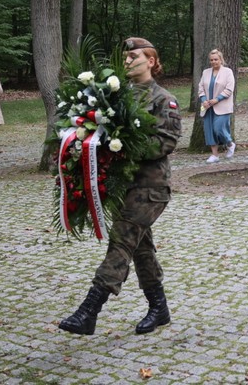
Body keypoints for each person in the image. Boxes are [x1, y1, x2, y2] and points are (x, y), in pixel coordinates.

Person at [59, 36, 182, 336]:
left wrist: (125, 147)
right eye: (126, 57)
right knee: (140, 249)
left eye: (135, 56)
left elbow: (166, 141)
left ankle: (90, 310)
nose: (127, 60)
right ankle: (159, 308)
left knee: (122, 242)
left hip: (150, 188)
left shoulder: (163, 99)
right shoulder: (115, 96)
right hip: (121, 185)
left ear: (151, 61)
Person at [198, 49, 235, 163]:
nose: (214, 62)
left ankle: (229, 143)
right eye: (211, 60)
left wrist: (217, 99)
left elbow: (229, 89)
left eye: (216, 59)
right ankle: (215, 155)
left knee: (218, 128)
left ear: (221, 60)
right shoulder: (206, 72)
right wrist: (204, 99)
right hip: (207, 106)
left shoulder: (228, 72)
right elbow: (200, 88)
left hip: (222, 106)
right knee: (209, 130)